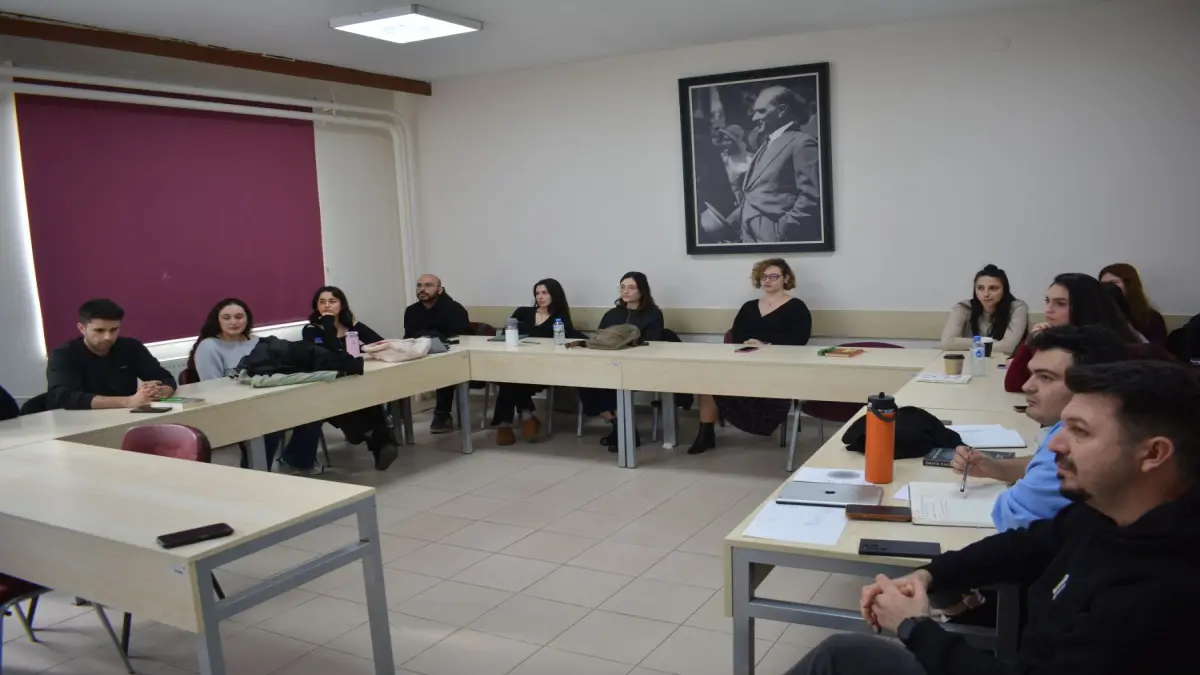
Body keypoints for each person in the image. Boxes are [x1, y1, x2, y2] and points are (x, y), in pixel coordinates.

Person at [787, 360, 1200, 675]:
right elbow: (1026, 544)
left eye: (1080, 431)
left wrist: (915, 628)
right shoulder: (1107, 513)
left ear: (1153, 454)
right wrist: (928, 575)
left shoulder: (1161, 587)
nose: (1055, 444)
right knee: (841, 653)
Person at [953, 326, 1128, 531]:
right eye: (1032, 374)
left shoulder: (1077, 441)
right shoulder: (1074, 427)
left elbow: (1014, 517)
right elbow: (1041, 463)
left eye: (1046, 377)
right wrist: (998, 467)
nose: (1027, 386)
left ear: (1090, 385)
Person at [687, 259, 811, 455]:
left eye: (773, 276)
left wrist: (766, 344)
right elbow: (737, 333)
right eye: (763, 276)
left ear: (786, 278)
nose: (767, 280)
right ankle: (706, 433)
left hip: (778, 367)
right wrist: (750, 342)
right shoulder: (749, 307)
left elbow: (799, 338)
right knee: (709, 376)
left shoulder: (797, 307)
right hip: (745, 362)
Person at [188, 298, 324, 473]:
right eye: (227, 318)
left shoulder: (259, 342)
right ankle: (254, 471)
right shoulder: (209, 346)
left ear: (247, 319)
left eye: (239, 317)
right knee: (270, 425)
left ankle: (296, 461)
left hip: (267, 399)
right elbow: (212, 388)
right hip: (231, 406)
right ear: (217, 321)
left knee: (313, 410)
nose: (234, 322)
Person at [700, 85, 821, 244]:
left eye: (761, 111)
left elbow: (811, 198)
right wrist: (729, 224)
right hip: (750, 237)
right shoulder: (767, 143)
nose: (754, 118)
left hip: (776, 239)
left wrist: (781, 232)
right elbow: (755, 196)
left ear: (782, 110)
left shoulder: (802, 143)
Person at [301, 286, 397, 471]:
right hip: (328, 386)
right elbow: (328, 354)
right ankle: (379, 440)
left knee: (369, 395)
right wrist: (328, 322)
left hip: (356, 381)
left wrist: (356, 324)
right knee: (352, 399)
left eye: (332, 301)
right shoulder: (312, 330)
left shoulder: (351, 327)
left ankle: (379, 443)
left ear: (342, 305)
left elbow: (379, 342)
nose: (327, 305)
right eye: (322, 302)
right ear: (316, 306)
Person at [1003, 273, 1137, 392]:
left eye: (1060, 304)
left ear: (1084, 307)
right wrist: (1029, 343)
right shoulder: (1055, 336)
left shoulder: (1102, 345)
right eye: (1047, 301)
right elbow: (1013, 385)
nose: (1048, 309)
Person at [578, 272, 665, 450]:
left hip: (638, 364)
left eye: (631, 288)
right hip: (608, 362)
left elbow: (652, 342)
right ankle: (618, 424)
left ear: (642, 290)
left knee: (615, 379)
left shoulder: (653, 314)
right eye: (623, 287)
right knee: (584, 379)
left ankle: (622, 431)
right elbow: (600, 338)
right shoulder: (612, 314)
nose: (626, 291)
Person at [491, 279, 582, 445]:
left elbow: (562, 338)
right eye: (537, 293)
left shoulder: (560, 318)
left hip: (544, 368)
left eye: (544, 293)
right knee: (510, 376)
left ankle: (508, 423)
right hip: (517, 362)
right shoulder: (523, 312)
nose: (540, 297)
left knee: (510, 379)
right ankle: (525, 417)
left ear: (554, 295)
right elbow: (507, 333)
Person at [46, 299, 175, 410]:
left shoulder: (131, 347)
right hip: (78, 422)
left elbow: (164, 377)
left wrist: (161, 391)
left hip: (124, 417)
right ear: (82, 328)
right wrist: (128, 401)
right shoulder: (63, 354)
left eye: (114, 330)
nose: (107, 337)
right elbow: (67, 397)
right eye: (99, 330)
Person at [403, 274, 470, 434]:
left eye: (428, 285)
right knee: (397, 365)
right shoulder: (411, 311)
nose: (422, 289)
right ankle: (396, 413)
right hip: (420, 353)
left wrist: (428, 334)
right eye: (419, 285)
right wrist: (432, 334)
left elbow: (460, 336)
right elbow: (409, 335)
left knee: (445, 367)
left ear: (440, 290)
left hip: (450, 355)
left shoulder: (454, 309)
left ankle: (442, 414)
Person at [938, 264, 1028, 355]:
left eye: (993, 288)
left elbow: (1008, 347)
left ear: (1004, 290)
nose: (986, 294)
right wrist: (990, 342)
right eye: (980, 288)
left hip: (1004, 361)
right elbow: (946, 343)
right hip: (970, 360)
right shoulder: (963, 308)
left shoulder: (1018, 308)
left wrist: (962, 343)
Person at [1099, 262, 1167, 345]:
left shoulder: (1150, 317)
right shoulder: (1099, 314)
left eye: (1114, 282)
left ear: (1129, 285)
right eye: (1102, 284)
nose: (1107, 287)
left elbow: (1157, 348)